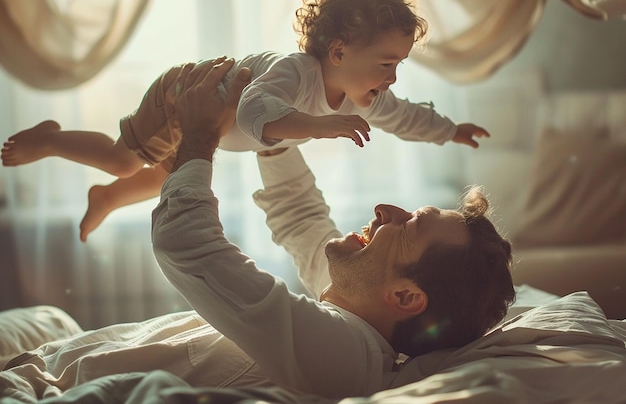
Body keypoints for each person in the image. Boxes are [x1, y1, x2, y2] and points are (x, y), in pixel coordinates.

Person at [1, 0, 489, 242]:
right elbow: (256, 113)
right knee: (123, 160)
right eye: (387, 63)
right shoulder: (296, 72)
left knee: (172, 172)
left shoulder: (369, 95)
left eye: (400, 63)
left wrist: (449, 130)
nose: (394, 75)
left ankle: (105, 197)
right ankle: (52, 139)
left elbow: (406, 117)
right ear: (338, 51)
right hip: (184, 97)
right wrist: (319, 127)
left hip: (209, 130)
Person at [148, 56, 515, 398]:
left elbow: (185, 244)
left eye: (409, 226)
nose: (384, 209)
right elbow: (300, 217)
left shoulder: (342, 352)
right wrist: (274, 132)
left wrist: (199, 137)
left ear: (405, 297)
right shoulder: (357, 319)